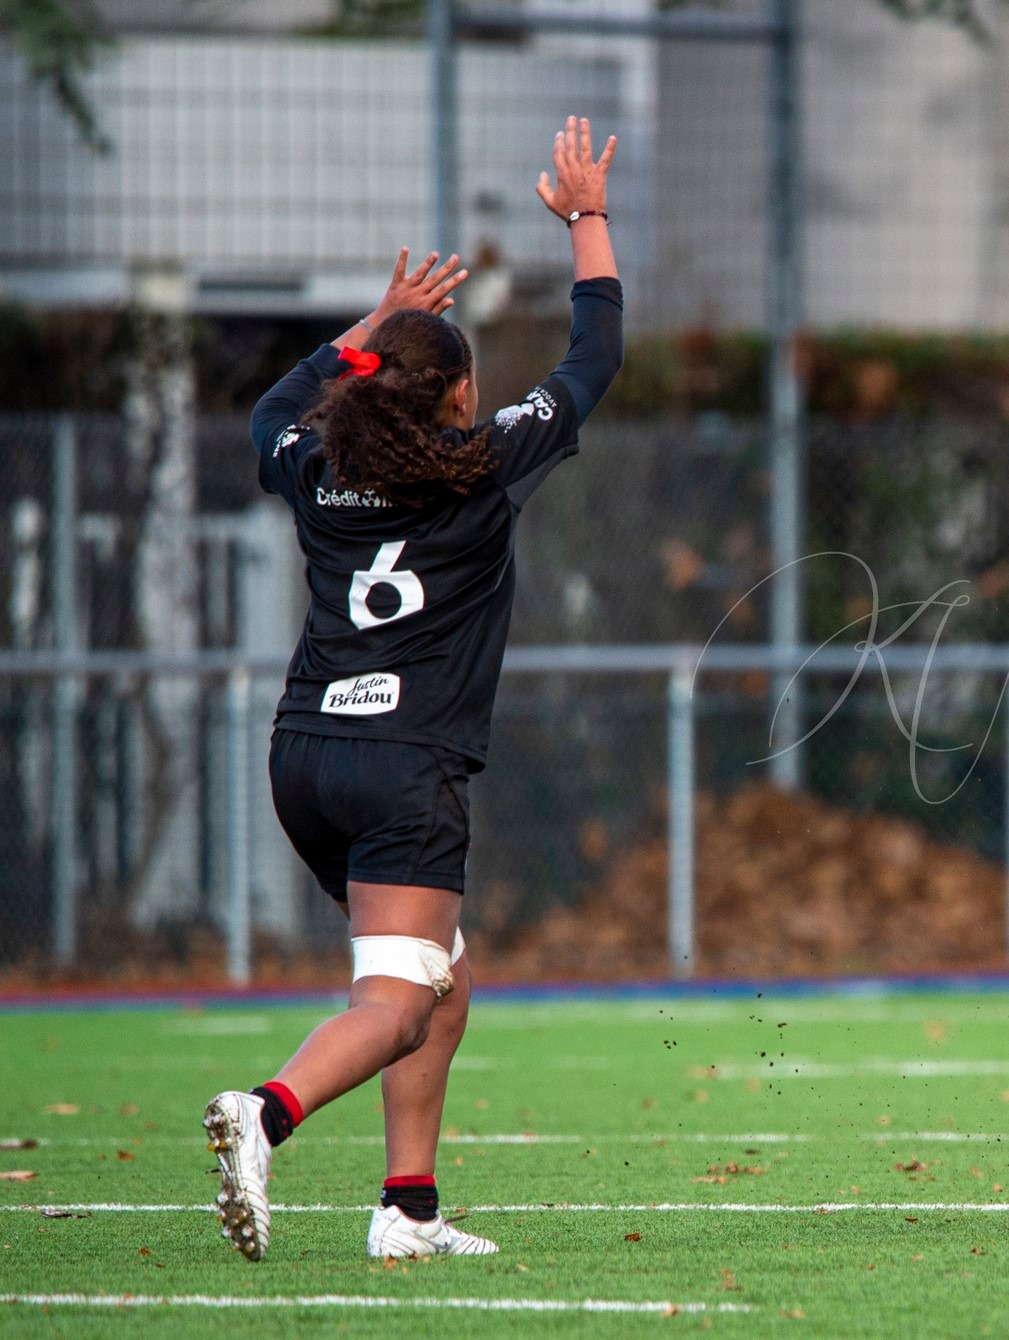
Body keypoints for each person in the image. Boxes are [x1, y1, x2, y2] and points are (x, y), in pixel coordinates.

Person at [203, 117, 623, 1262]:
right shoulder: (481, 467)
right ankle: (266, 1111)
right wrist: (585, 215)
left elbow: (267, 412)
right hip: (404, 770)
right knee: (395, 1004)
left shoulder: (316, 467)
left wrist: (361, 338)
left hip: (306, 759)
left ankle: (409, 1210)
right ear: (454, 401)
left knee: (444, 980)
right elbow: (592, 360)